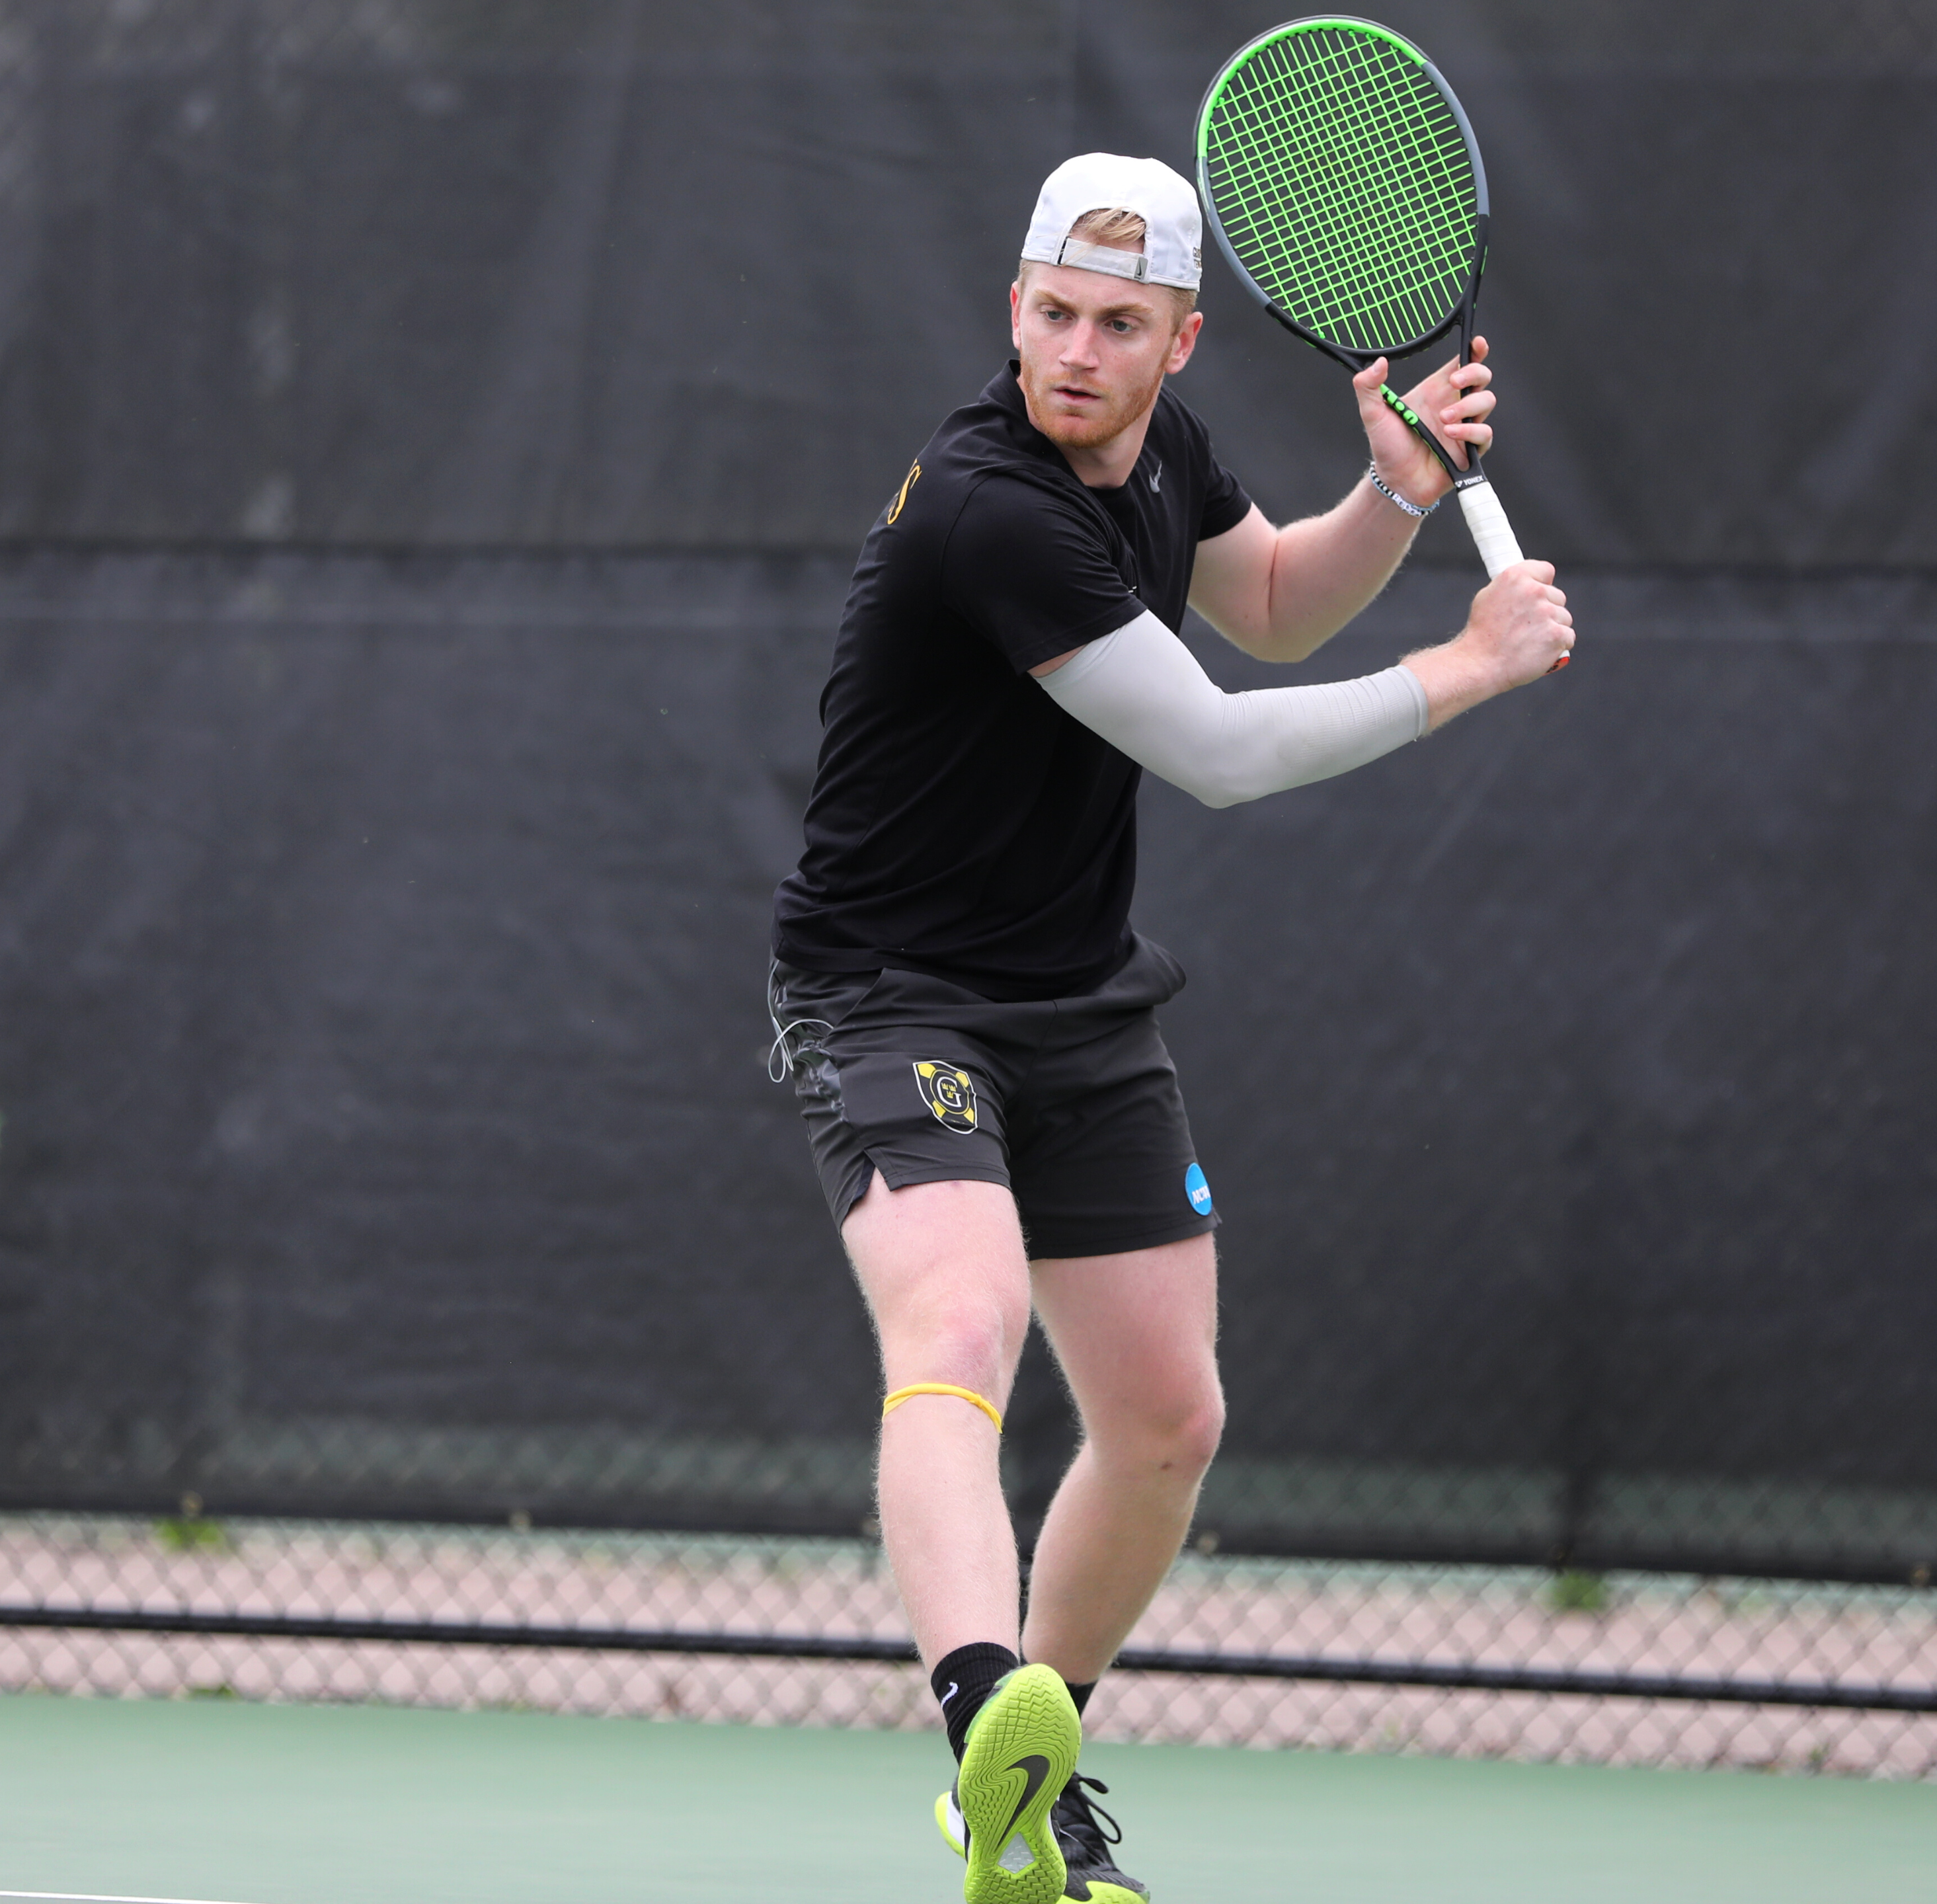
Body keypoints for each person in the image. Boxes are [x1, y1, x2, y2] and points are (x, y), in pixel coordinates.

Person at [765, 152, 1574, 1904]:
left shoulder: (1163, 458)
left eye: (1117, 325)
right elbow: (1218, 749)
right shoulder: (993, 506)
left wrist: (1398, 501)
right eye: (1051, 313)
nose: (1074, 348)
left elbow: (1273, 599)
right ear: (1014, 311)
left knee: (1165, 1418)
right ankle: (980, 1705)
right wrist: (1475, 665)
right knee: (961, 1316)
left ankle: (1036, 1784)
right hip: (891, 995)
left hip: (1078, 995)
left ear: (1181, 343)